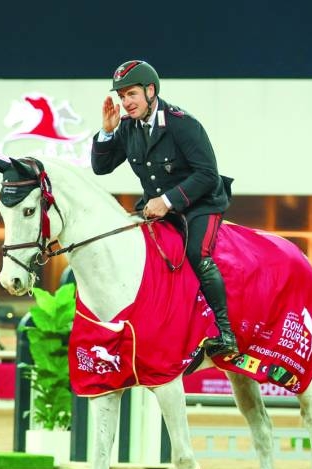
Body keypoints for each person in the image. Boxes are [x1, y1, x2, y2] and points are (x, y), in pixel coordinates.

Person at [91, 59, 238, 358]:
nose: (126, 103)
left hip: (201, 204)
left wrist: (168, 200)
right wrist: (107, 132)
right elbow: (101, 167)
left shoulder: (182, 124)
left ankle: (226, 332)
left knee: (198, 254)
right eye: (121, 97)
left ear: (151, 90)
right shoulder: (128, 128)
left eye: (131, 94)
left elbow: (208, 174)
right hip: (156, 208)